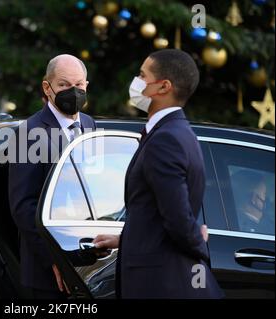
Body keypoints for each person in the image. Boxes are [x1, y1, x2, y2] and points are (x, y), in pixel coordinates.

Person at [93, 49, 223, 298]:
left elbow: (177, 219)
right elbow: (156, 213)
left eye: (142, 75)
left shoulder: (166, 139)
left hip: (159, 284)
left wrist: (198, 241)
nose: (136, 83)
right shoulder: (175, 132)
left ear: (163, 87)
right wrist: (125, 239)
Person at [8, 54, 96, 299]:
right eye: (64, 85)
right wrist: (56, 260)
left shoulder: (89, 124)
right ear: (47, 87)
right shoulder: (29, 132)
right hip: (47, 272)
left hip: (86, 260)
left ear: (86, 85)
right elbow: (23, 207)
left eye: (79, 85)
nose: (74, 91)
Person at [231, 170, 273, 234]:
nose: (267, 199)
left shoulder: (232, 220)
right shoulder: (245, 228)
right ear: (254, 198)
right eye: (264, 194)